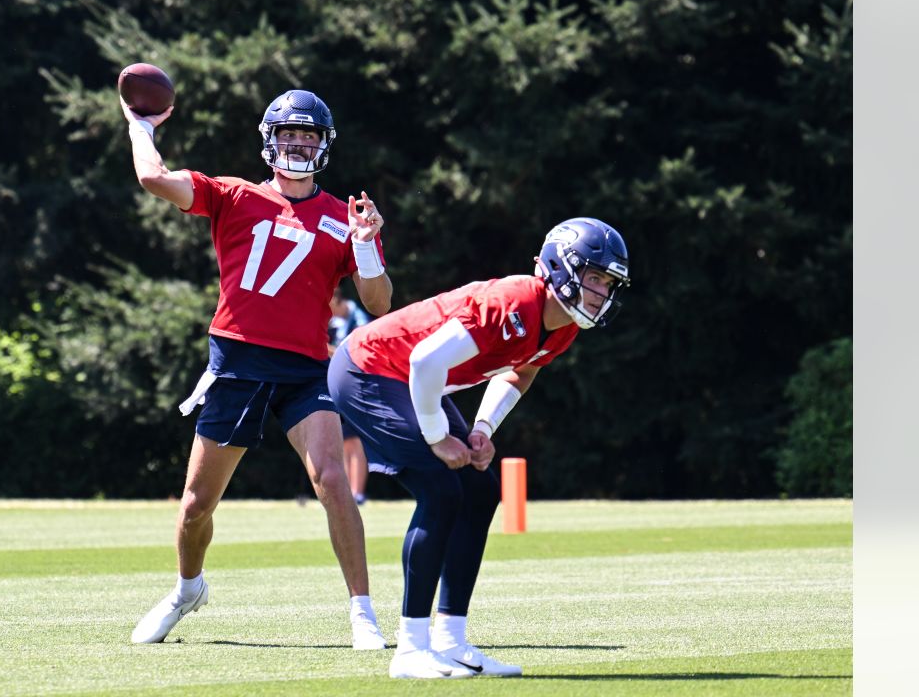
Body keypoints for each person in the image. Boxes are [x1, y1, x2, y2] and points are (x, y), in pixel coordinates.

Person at [121, 88, 394, 650]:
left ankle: (362, 612)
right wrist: (141, 126)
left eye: (309, 136)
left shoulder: (345, 219)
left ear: (325, 144)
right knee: (196, 505)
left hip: (306, 370)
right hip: (239, 362)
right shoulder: (233, 195)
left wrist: (366, 247)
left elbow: (380, 302)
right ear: (270, 141)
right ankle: (186, 589)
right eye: (289, 134)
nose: (298, 144)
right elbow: (154, 179)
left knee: (333, 481)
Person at [328, 218, 630, 678]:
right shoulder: (510, 302)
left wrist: (483, 428)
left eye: (608, 283)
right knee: (441, 490)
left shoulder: (564, 324)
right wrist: (436, 437)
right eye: (593, 278)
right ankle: (410, 649)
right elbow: (424, 362)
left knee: (480, 490)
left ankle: (450, 640)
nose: (600, 292)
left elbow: (522, 370)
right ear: (559, 268)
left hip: (415, 379)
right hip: (368, 369)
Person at [327, 287, 373, 505]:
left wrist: (326, 349)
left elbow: (357, 354)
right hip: (340, 386)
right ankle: (349, 492)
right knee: (345, 442)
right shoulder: (335, 322)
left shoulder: (359, 318)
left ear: (336, 299)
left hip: (358, 386)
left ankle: (358, 493)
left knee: (356, 442)